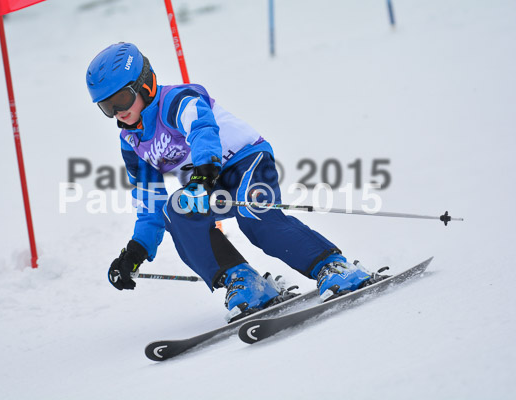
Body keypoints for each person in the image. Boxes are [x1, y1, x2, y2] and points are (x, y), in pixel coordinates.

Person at [86, 42, 372, 321]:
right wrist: (136, 250)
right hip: (205, 185)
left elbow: (202, 129)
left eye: (121, 99)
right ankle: (244, 280)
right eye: (106, 106)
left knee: (253, 213)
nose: (117, 112)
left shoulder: (177, 100)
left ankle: (332, 266)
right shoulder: (131, 142)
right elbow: (150, 199)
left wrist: (203, 174)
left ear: (144, 84)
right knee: (175, 212)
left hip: (245, 161)